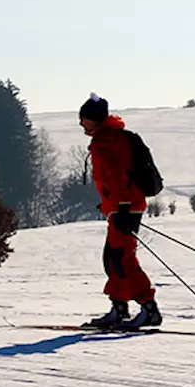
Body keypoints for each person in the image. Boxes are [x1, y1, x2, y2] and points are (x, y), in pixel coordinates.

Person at [79, 93, 161, 330]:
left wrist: (122, 207)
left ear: (94, 119)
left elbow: (118, 177)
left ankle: (149, 308)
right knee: (112, 258)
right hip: (120, 208)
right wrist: (110, 204)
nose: (81, 123)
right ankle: (119, 309)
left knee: (122, 259)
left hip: (126, 208)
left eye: (83, 118)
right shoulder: (106, 138)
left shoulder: (109, 140)